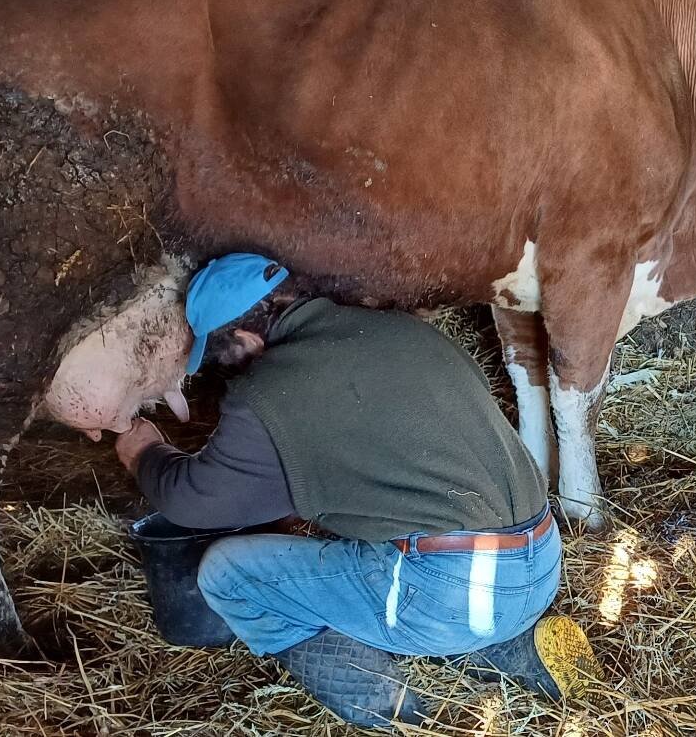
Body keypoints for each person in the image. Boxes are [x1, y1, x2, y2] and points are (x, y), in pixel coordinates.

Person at [115, 253, 597, 727]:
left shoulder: (269, 388)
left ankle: (387, 705)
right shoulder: (404, 330)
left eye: (225, 362)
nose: (232, 373)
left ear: (244, 339)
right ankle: (509, 650)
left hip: (452, 589)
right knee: (386, 558)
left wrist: (146, 455)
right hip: (541, 560)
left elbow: (195, 500)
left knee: (227, 574)